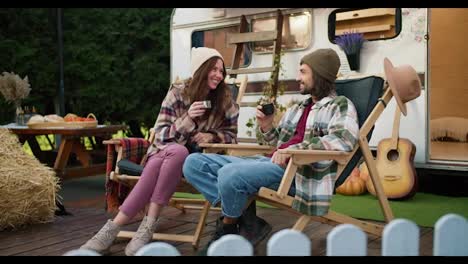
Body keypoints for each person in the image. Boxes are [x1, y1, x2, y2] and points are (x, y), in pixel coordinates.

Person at [182, 48, 360, 253]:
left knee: (229, 175)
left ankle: (228, 228)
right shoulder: (298, 108)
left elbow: (342, 140)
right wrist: (266, 125)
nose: (297, 77)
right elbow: (278, 145)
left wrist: (294, 150)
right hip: (268, 163)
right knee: (193, 163)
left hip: (298, 173)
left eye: (303, 72)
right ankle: (247, 218)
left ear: (318, 74)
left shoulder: (340, 106)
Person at [80, 47, 239, 256]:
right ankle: (147, 226)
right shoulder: (177, 93)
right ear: (201, 69)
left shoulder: (224, 100)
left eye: (222, 71)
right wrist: (188, 119)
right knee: (174, 153)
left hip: (194, 163)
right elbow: (161, 135)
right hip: (164, 153)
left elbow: (232, 134)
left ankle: (110, 230)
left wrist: (211, 136)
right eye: (214, 69)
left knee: (173, 156)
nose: (219, 75)